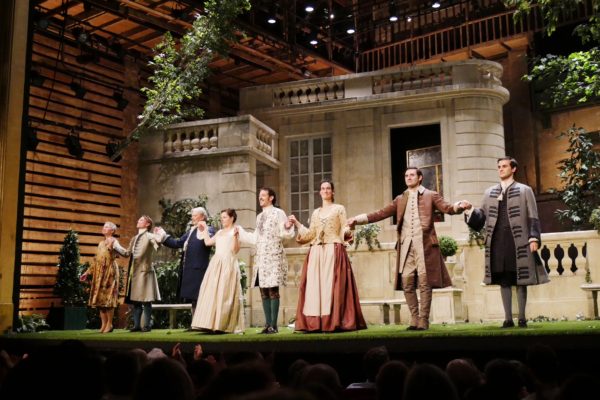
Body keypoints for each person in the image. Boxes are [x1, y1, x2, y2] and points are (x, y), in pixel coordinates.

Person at [348, 167, 467, 330]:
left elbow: (447, 208)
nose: (408, 177)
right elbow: (381, 213)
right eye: (406, 175)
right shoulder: (400, 198)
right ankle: (414, 318)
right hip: (406, 246)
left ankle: (424, 319)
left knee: (425, 283)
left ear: (420, 177)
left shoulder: (430, 195)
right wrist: (357, 219)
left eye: (412, 175)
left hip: (425, 246)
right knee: (407, 282)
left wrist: (459, 206)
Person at [464, 157, 549, 328]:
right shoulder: (489, 193)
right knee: (503, 279)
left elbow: (533, 216)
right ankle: (508, 319)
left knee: (520, 279)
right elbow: (481, 219)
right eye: (499, 167)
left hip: (518, 240)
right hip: (497, 241)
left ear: (513, 169)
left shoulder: (525, 190)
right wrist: (470, 209)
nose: (501, 169)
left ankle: (522, 318)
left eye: (504, 166)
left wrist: (534, 237)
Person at [288, 179, 367, 332]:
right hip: (316, 252)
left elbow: (344, 228)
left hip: (333, 249)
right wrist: (297, 224)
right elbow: (311, 234)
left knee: (332, 286)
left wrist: (348, 230)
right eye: (323, 188)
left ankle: (332, 321)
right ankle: (316, 322)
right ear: (320, 192)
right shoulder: (315, 213)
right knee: (315, 287)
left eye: (328, 188)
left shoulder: (339, 209)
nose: (325, 190)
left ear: (333, 191)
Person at [191, 208, 248, 333]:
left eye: (225, 217)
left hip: (228, 263)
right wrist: (204, 230)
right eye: (221, 217)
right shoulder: (220, 232)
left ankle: (222, 324)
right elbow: (208, 242)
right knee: (212, 293)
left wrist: (235, 237)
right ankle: (210, 323)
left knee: (225, 293)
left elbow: (235, 250)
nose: (222, 220)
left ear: (232, 218)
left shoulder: (236, 230)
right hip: (216, 264)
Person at [248, 188, 295, 334]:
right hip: (261, 257)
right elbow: (255, 237)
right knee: (263, 290)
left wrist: (287, 227)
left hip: (274, 255)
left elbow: (285, 233)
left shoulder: (278, 213)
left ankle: (274, 325)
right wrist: (240, 234)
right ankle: (267, 324)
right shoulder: (259, 217)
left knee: (273, 290)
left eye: (263, 195)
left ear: (271, 198)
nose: (260, 198)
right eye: (259, 196)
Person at [155, 207, 215, 315]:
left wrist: (203, 230)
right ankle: (195, 322)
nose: (192, 218)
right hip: (189, 270)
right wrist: (162, 235)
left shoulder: (209, 229)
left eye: (195, 215)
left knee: (200, 299)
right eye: (192, 215)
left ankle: (201, 322)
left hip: (199, 270)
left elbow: (209, 240)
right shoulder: (191, 231)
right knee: (193, 300)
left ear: (202, 217)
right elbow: (177, 243)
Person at [116, 215, 161, 332]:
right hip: (134, 272)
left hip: (145, 272)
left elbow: (157, 246)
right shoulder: (135, 238)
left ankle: (147, 325)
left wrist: (159, 236)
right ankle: (136, 326)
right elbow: (127, 253)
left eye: (141, 220)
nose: (138, 221)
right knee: (136, 300)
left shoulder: (150, 236)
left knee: (146, 300)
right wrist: (116, 245)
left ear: (147, 224)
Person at [80, 221, 125, 333]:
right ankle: (103, 323)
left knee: (108, 299)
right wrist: (87, 272)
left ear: (112, 231)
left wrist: (111, 247)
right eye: (104, 227)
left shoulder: (114, 241)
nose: (104, 228)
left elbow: (123, 252)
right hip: (100, 273)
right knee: (100, 299)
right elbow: (97, 260)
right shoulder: (101, 243)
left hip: (109, 272)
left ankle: (110, 324)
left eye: (107, 227)